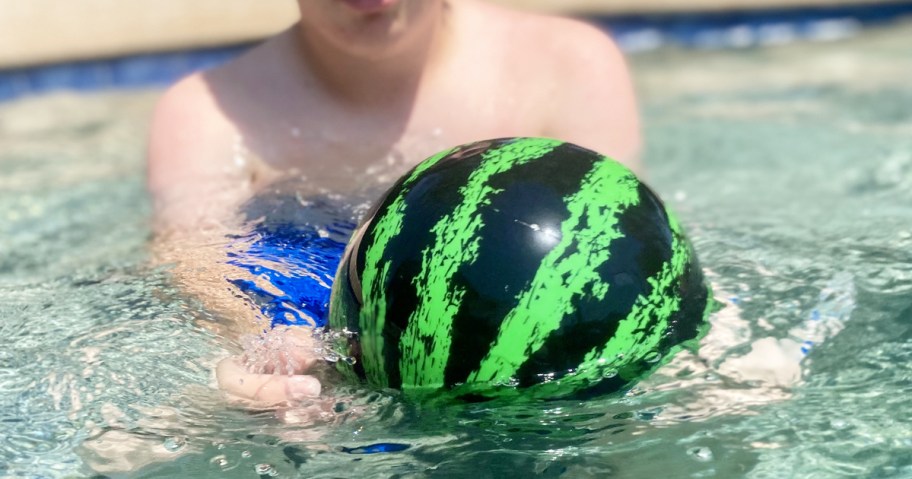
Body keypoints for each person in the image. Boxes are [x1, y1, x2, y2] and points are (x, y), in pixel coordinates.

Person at [147, 0, 641, 406]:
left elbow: (620, 247)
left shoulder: (564, 65)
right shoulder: (208, 113)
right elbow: (192, 257)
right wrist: (263, 344)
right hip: (301, 296)